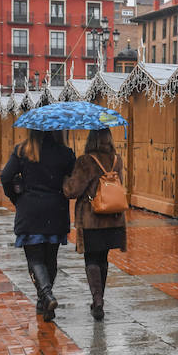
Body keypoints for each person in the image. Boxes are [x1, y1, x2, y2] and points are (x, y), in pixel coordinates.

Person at [0, 129, 76, 321]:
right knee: (51, 258)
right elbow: (72, 179)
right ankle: (44, 302)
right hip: (56, 211)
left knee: (35, 259)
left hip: (30, 210)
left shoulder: (22, 151)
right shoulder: (64, 153)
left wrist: (16, 196)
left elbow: (5, 176)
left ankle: (47, 296)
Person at [63, 129, 127, 321]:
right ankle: (100, 299)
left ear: (91, 140)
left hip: (92, 219)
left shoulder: (86, 161)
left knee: (91, 259)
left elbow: (72, 191)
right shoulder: (117, 160)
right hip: (113, 217)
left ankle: (97, 299)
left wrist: (67, 178)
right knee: (103, 259)